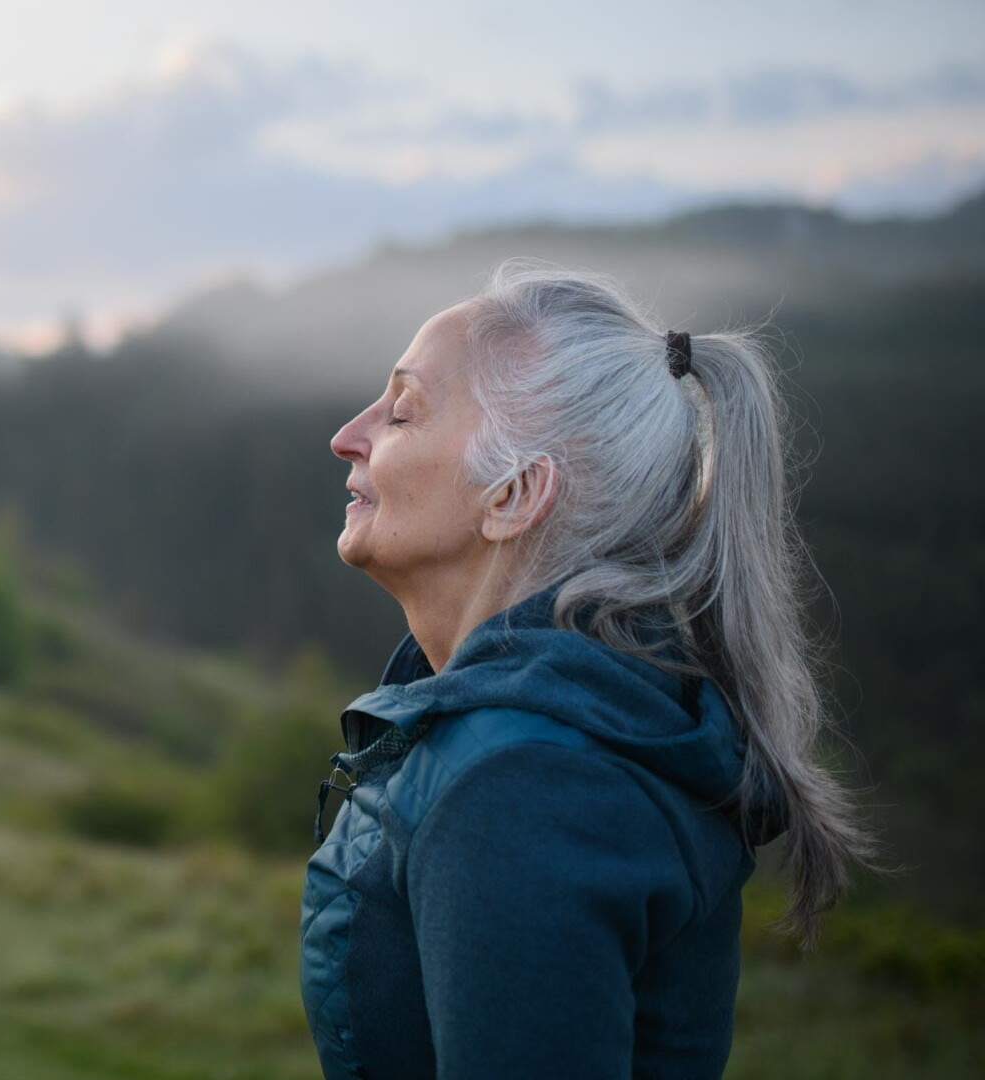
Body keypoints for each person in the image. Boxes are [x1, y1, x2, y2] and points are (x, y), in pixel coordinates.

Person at [300, 258, 880, 1080]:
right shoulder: (557, 727)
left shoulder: (520, 787)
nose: (348, 436)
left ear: (513, 496)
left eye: (402, 411)